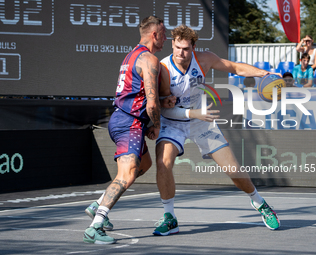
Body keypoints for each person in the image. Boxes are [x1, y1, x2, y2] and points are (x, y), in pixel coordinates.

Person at [152, 25, 280, 236]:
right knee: (163, 163)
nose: (179, 53)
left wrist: (264, 74)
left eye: (185, 49)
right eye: (176, 47)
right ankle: (170, 217)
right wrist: (192, 113)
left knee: (233, 170)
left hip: (202, 120)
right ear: (172, 43)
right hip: (174, 120)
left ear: (193, 47)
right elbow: (163, 107)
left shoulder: (204, 59)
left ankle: (260, 203)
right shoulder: (163, 68)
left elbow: (235, 67)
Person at [82, 16, 174, 245]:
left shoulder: (131, 55)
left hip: (124, 120)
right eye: (164, 33)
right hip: (130, 123)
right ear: (154, 34)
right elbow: (152, 103)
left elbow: (141, 95)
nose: (166, 37)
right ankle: (95, 227)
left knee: (145, 165)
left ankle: (98, 205)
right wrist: (157, 125)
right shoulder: (150, 59)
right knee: (128, 174)